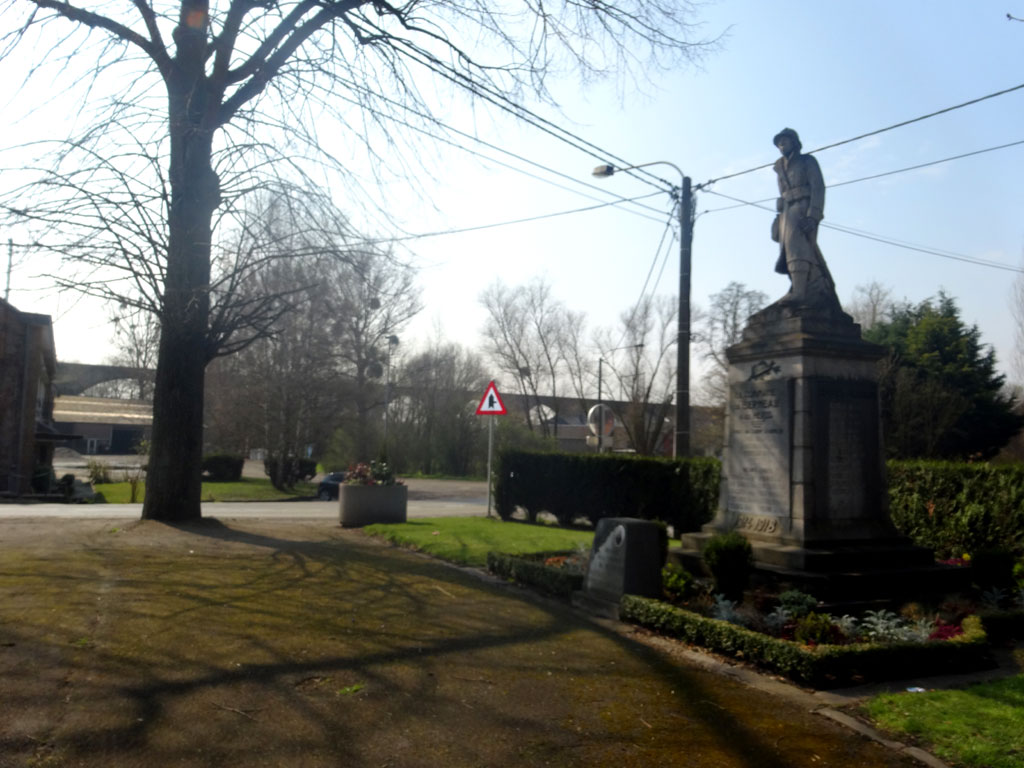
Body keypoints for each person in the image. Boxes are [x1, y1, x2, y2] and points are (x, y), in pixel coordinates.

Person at [771, 128, 839, 308]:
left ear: (794, 142)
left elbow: (818, 188)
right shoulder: (779, 167)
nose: (781, 145)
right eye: (779, 143)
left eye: (785, 141)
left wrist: (813, 215)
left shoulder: (807, 161)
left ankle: (800, 293)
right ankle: (798, 286)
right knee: (788, 250)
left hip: (803, 208)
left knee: (798, 248)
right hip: (786, 211)